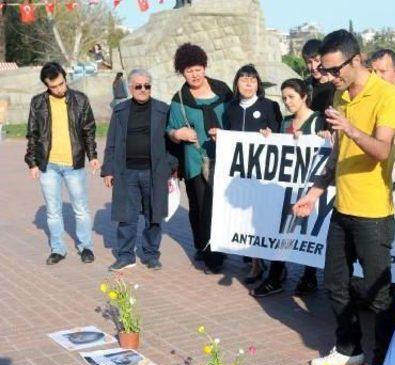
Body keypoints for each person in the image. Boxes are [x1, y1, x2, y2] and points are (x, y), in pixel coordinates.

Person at [293, 30, 395, 365]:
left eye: (335, 70)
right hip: (342, 209)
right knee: (335, 283)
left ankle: (384, 363)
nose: (330, 77)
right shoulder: (340, 97)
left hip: (373, 213)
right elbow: (338, 154)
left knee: (379, 294)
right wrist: (314, 192)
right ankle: (349, 347)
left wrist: (352, 128)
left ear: (356, 61)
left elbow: (383, 151)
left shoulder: (386, 95)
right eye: (325, 71)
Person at [101, 69, 177, 271]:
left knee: (154, 215)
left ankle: (151, 255)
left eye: (147, 86)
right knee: (126, 216)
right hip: (126, 172)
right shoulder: (120, 111)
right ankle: (126, 256)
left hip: (155, 172)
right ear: (131, 87)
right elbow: (111, 143)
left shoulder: (163, 110)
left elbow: (173, 142)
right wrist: (108, 170)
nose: (143, 89)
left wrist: (170, 166)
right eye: (138, 86)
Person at [167, 43, 233, 274]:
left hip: (226, 160)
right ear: (182, 72)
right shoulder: (180, 100)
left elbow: (237, 117)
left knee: (224, 205)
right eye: (188, 71)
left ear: (204, 67)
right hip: (196, 160)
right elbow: (170, 130)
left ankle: (222, 244)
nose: (194, 74)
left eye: (197, 69)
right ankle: (209, 254)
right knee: (201, 207)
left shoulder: (224, 91)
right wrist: (178, 134)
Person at [25, 62, 99, 265]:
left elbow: (89, 130)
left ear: (65, 79)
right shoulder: (37, 102)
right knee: (53, 210)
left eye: (61, 84)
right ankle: (58, 249)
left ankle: (86, 247)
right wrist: (32, 163)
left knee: (81, 208)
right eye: (53, 86)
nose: (59, 89)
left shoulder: (80, 99)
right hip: (48, 166)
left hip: (74, 164)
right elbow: (32, 134)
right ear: (46, 85)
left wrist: (92, 155)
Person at [223, 64, 283, 291]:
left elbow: (279, 136)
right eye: (243, 80)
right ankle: (256, 263)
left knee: (264, 218)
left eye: (252, 80)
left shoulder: (269, 106)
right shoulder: (230, 108)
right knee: (245, 218)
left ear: (258, 84)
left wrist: (271, 136)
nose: (248, 84)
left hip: (264, 174)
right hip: (241, 175)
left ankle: (271, 264)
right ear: (236, 83)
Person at [272, 78, 326, 297]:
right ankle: (276, 272)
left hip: (311, 186)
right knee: (281, 228)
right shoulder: (285, 122)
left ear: (304, 96)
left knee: (307, 230)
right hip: (286, 186)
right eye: (284, 98)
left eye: (291, 97)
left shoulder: (317, 121)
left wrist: (323, 137)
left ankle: (308, 276)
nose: (287, 102)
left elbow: (327, 147)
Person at [301, 39, 336, 113]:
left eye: (317, 61)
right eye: (309, 62)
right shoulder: (305, 86)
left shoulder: (337, 83)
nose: (313, 67)